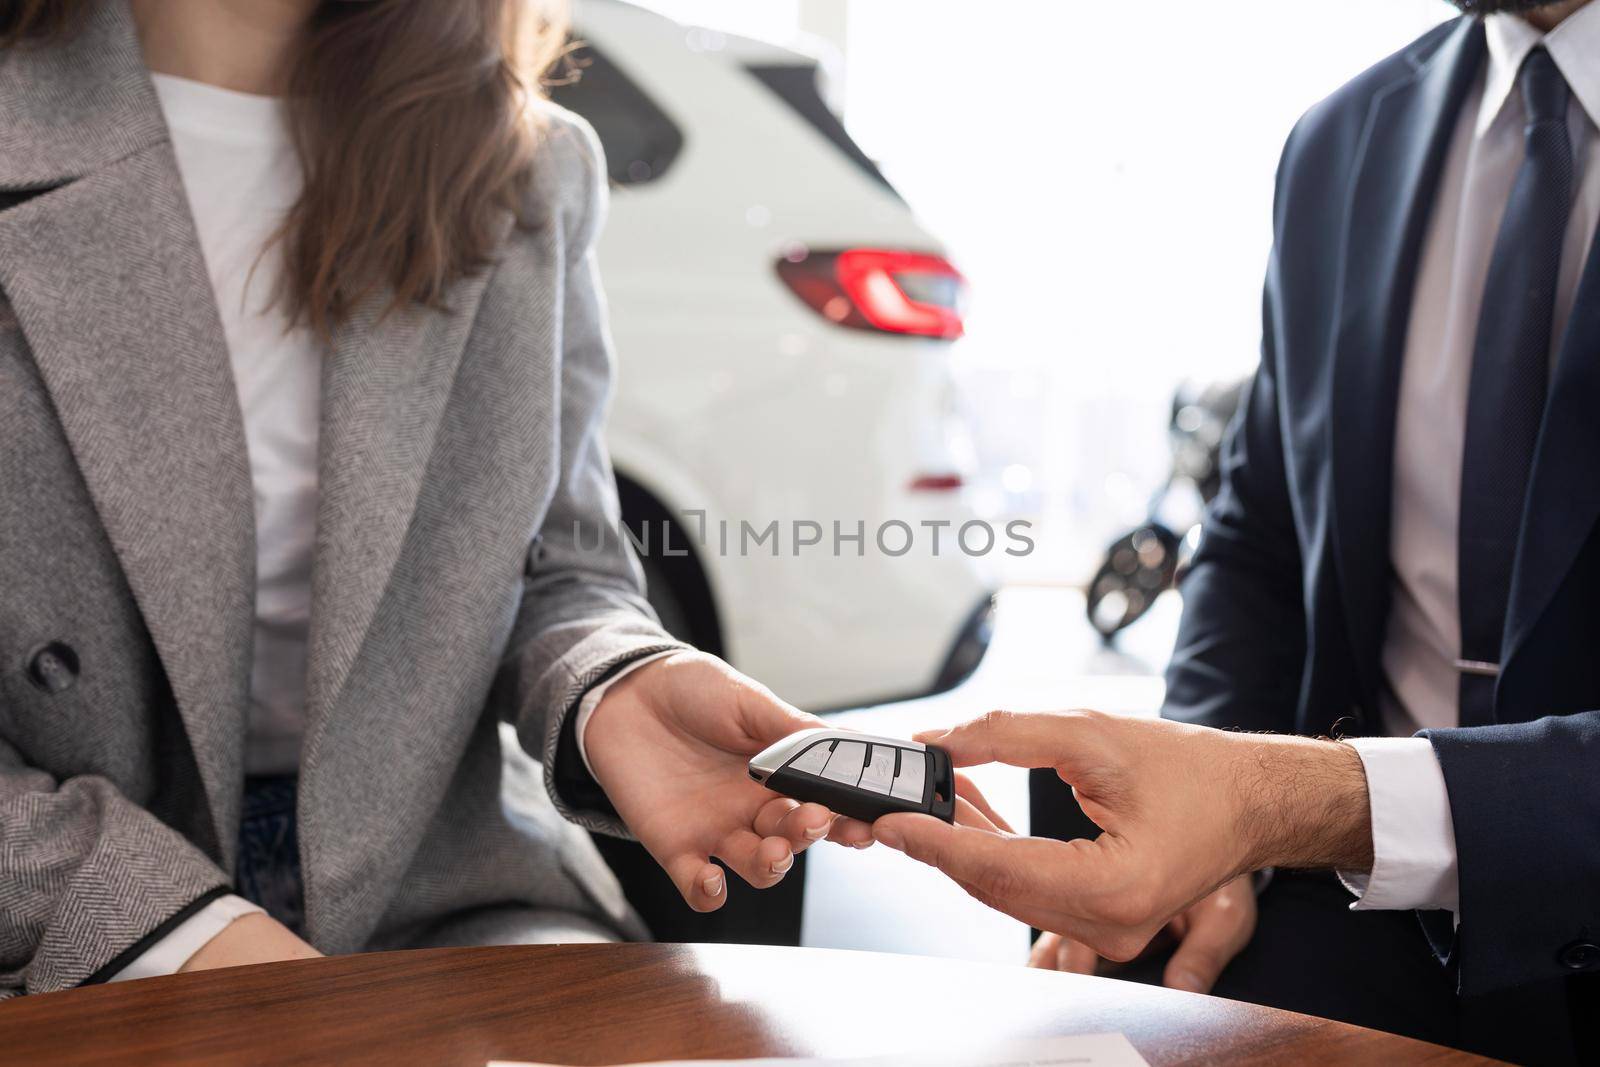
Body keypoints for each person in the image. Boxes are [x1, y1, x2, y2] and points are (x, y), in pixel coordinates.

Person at [0, 0, 874, 997]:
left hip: (447, 886)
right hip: (53, 901)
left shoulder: (522, 168)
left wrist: (614, 687)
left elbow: (561, 564)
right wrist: (164, 924)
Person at [870, 1, 1600, 1063]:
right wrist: (1217, 840)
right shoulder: (1342, 141)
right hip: (1358, 908)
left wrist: (1277, 800)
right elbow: (1257, 530)